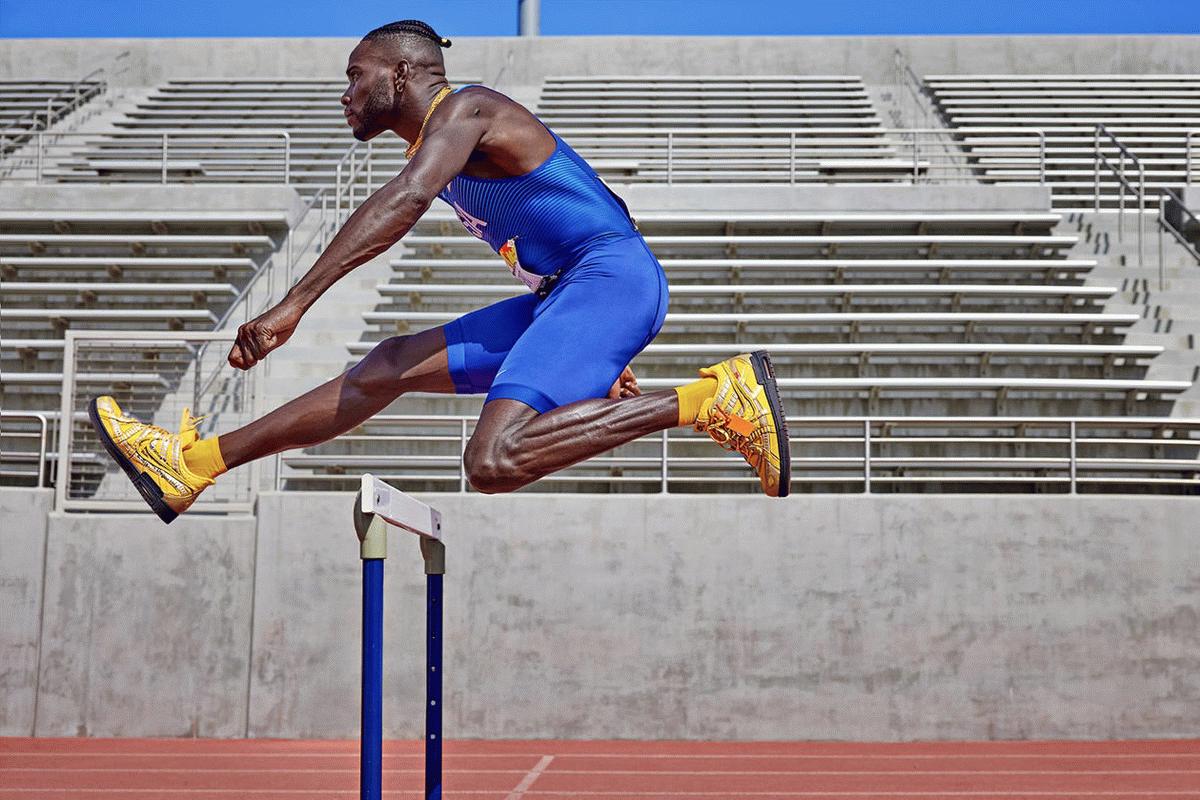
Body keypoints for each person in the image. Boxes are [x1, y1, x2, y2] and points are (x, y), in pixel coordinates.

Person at [89, 19, 791, 524]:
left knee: (492, 461)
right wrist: (585, 348)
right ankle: (191, 467)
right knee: (386, 365)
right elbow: (588, 208)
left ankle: (711, 401)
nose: (346, 94)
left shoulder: (469, 110)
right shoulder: (446, 145)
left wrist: (293, 304)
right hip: (572, 294)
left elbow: (407, 199)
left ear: (399, 72)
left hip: (605, 280)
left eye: (355, 76)